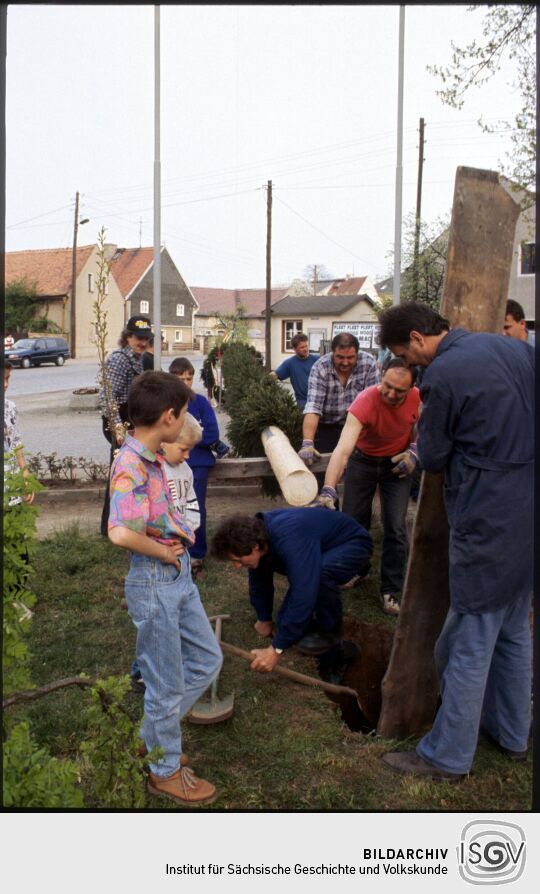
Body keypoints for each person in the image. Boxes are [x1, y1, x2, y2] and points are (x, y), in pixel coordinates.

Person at [376, 302, 533, 782]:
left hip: (490, 513)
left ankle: (447, 756)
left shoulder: (443, 374)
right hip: (529, 506)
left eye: (406, 354)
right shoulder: (513, 348)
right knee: (514, 628)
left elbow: (435, 454)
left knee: (469, 638)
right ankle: (511, 733)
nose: (409, 364)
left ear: (418, 338)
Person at [108, 370, 222, 806]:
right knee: (165, 685)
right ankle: (165, 771)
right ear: (169, 417)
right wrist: (163, 553)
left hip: (178, 574)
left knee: (207, 659)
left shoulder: (156, 457)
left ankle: (153, 736)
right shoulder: (130, 463)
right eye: (186, 413)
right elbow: (120, 532)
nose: (189, 420)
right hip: (155, 579)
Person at [316, 358, 420, 615]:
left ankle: (390, 589)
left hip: (397, 465)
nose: (391, 394)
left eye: (399, 391)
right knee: (353, 522)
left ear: (411, 388)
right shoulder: (365, 401)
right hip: (363, 462)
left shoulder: (419, 398)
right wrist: (329, 488)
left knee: (396, 526)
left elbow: (423, 429)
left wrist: (415, 452)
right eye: (387, 386)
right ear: (381, 375)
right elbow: (343, 450)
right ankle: (358, 570)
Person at [211, 508, 373, 664]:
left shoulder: (289, 539)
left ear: (255, 547)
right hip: (321, 545)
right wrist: (264, 618)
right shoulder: (259, 537)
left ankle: (331, 634)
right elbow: (259, 582)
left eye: (238, 560)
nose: (237, 566)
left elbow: (304, 591)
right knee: (284, 621)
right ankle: (304, 626)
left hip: (353, 543)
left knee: (319, 576)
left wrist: (276, 649)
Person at [129, 412, 203, 694]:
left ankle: (176, 662)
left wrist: (186, 535)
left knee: (177, 610)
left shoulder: (185, 470)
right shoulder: (154, 471)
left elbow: (191, 504)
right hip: (156, 555)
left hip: (179, 551)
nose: (187, 455)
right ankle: (141, 671)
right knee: (156, 617)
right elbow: (144, 519)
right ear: (165, 441)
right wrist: (165, 542)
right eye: (183, 449)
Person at [168, 357, 229, 581]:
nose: (185, 383)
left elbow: (212, 434)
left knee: (195, 508)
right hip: (170, 463)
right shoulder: (164, 402)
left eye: (189, 378)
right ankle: (172, 552)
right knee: (170, 507)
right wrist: (191, 434)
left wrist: (182, 438)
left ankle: (196, 556)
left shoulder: (201, 403)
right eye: (180, 379)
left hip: (198, 464)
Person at [99, 314, 152, 536]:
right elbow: (107, 397)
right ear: (127, 337)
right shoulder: (119, 359)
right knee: (120, 473)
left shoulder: (140, 359)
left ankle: (126, 521)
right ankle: (110, 526)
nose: (142, 342)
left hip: (132, 419)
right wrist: (118, 428)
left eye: (145, 338)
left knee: (130, 471)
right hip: (119, 421)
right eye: (138, 337)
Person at [298, 332, 379, 465]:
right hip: (327, 426)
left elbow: (372, 405)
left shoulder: (369, 363)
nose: (345, 362)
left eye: (350, 357)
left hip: (358, 427)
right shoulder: (320, 367)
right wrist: (307, 443)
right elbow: (313, 406)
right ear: (332, 353)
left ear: (357, 353)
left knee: (356, 467)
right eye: (340, 357)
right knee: (322, 465)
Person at [4, 358, 35, 507]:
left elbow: (16, 442)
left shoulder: (10, 407)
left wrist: (25, 475)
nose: (5, 384)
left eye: (7, 378)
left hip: (10, 483)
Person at [269, 332, 319, 409]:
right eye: (302, 347)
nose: (305, 349)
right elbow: (274, 375)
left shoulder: (317, 360)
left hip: (319, 400)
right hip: (303, 403)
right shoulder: (290, 363)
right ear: (295, 349)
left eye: (306, 346)